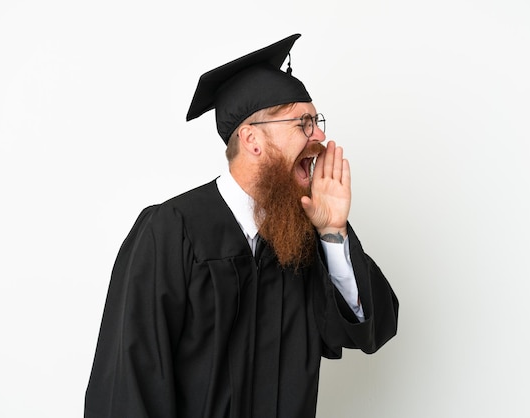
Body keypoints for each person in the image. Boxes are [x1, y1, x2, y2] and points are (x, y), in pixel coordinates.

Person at [84, 33, 399, 418]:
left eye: (317, 122)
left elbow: (368, 333)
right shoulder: (172, 231)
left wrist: (334, 233)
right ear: (252, 139)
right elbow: (127, 386)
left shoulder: (302, 238)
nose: (319, 136)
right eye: (304, 122)